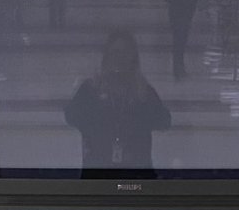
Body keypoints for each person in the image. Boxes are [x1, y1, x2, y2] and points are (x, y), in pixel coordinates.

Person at [64, 30, 172, 175]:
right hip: (99, 173)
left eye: (124, 53)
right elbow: (71, 116)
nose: (119, 59)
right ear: (107, 56)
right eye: (115, 52)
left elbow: (164, 121)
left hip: (136, 175)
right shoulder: (91, 90)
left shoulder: (143, 92)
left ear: (133, 58)